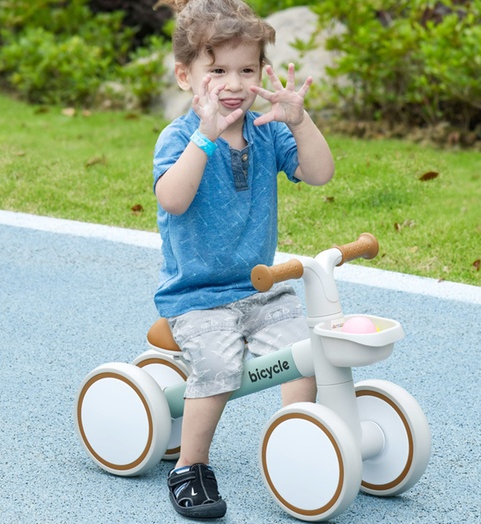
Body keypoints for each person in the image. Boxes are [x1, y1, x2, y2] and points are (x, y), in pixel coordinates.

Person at [152, 0, 334, 519]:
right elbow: (173, 199)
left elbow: (320, 173)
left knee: (305, 352)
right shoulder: (180, 138)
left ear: (261, 72)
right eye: (218, 71)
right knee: (217, 366)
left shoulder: (268, 131)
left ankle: (297, 443)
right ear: (186, 77)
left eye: (246, 70)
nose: (233, 84)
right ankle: (190, 465)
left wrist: (300, 122)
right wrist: (206, 137)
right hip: (198, 296)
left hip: (258, 288)